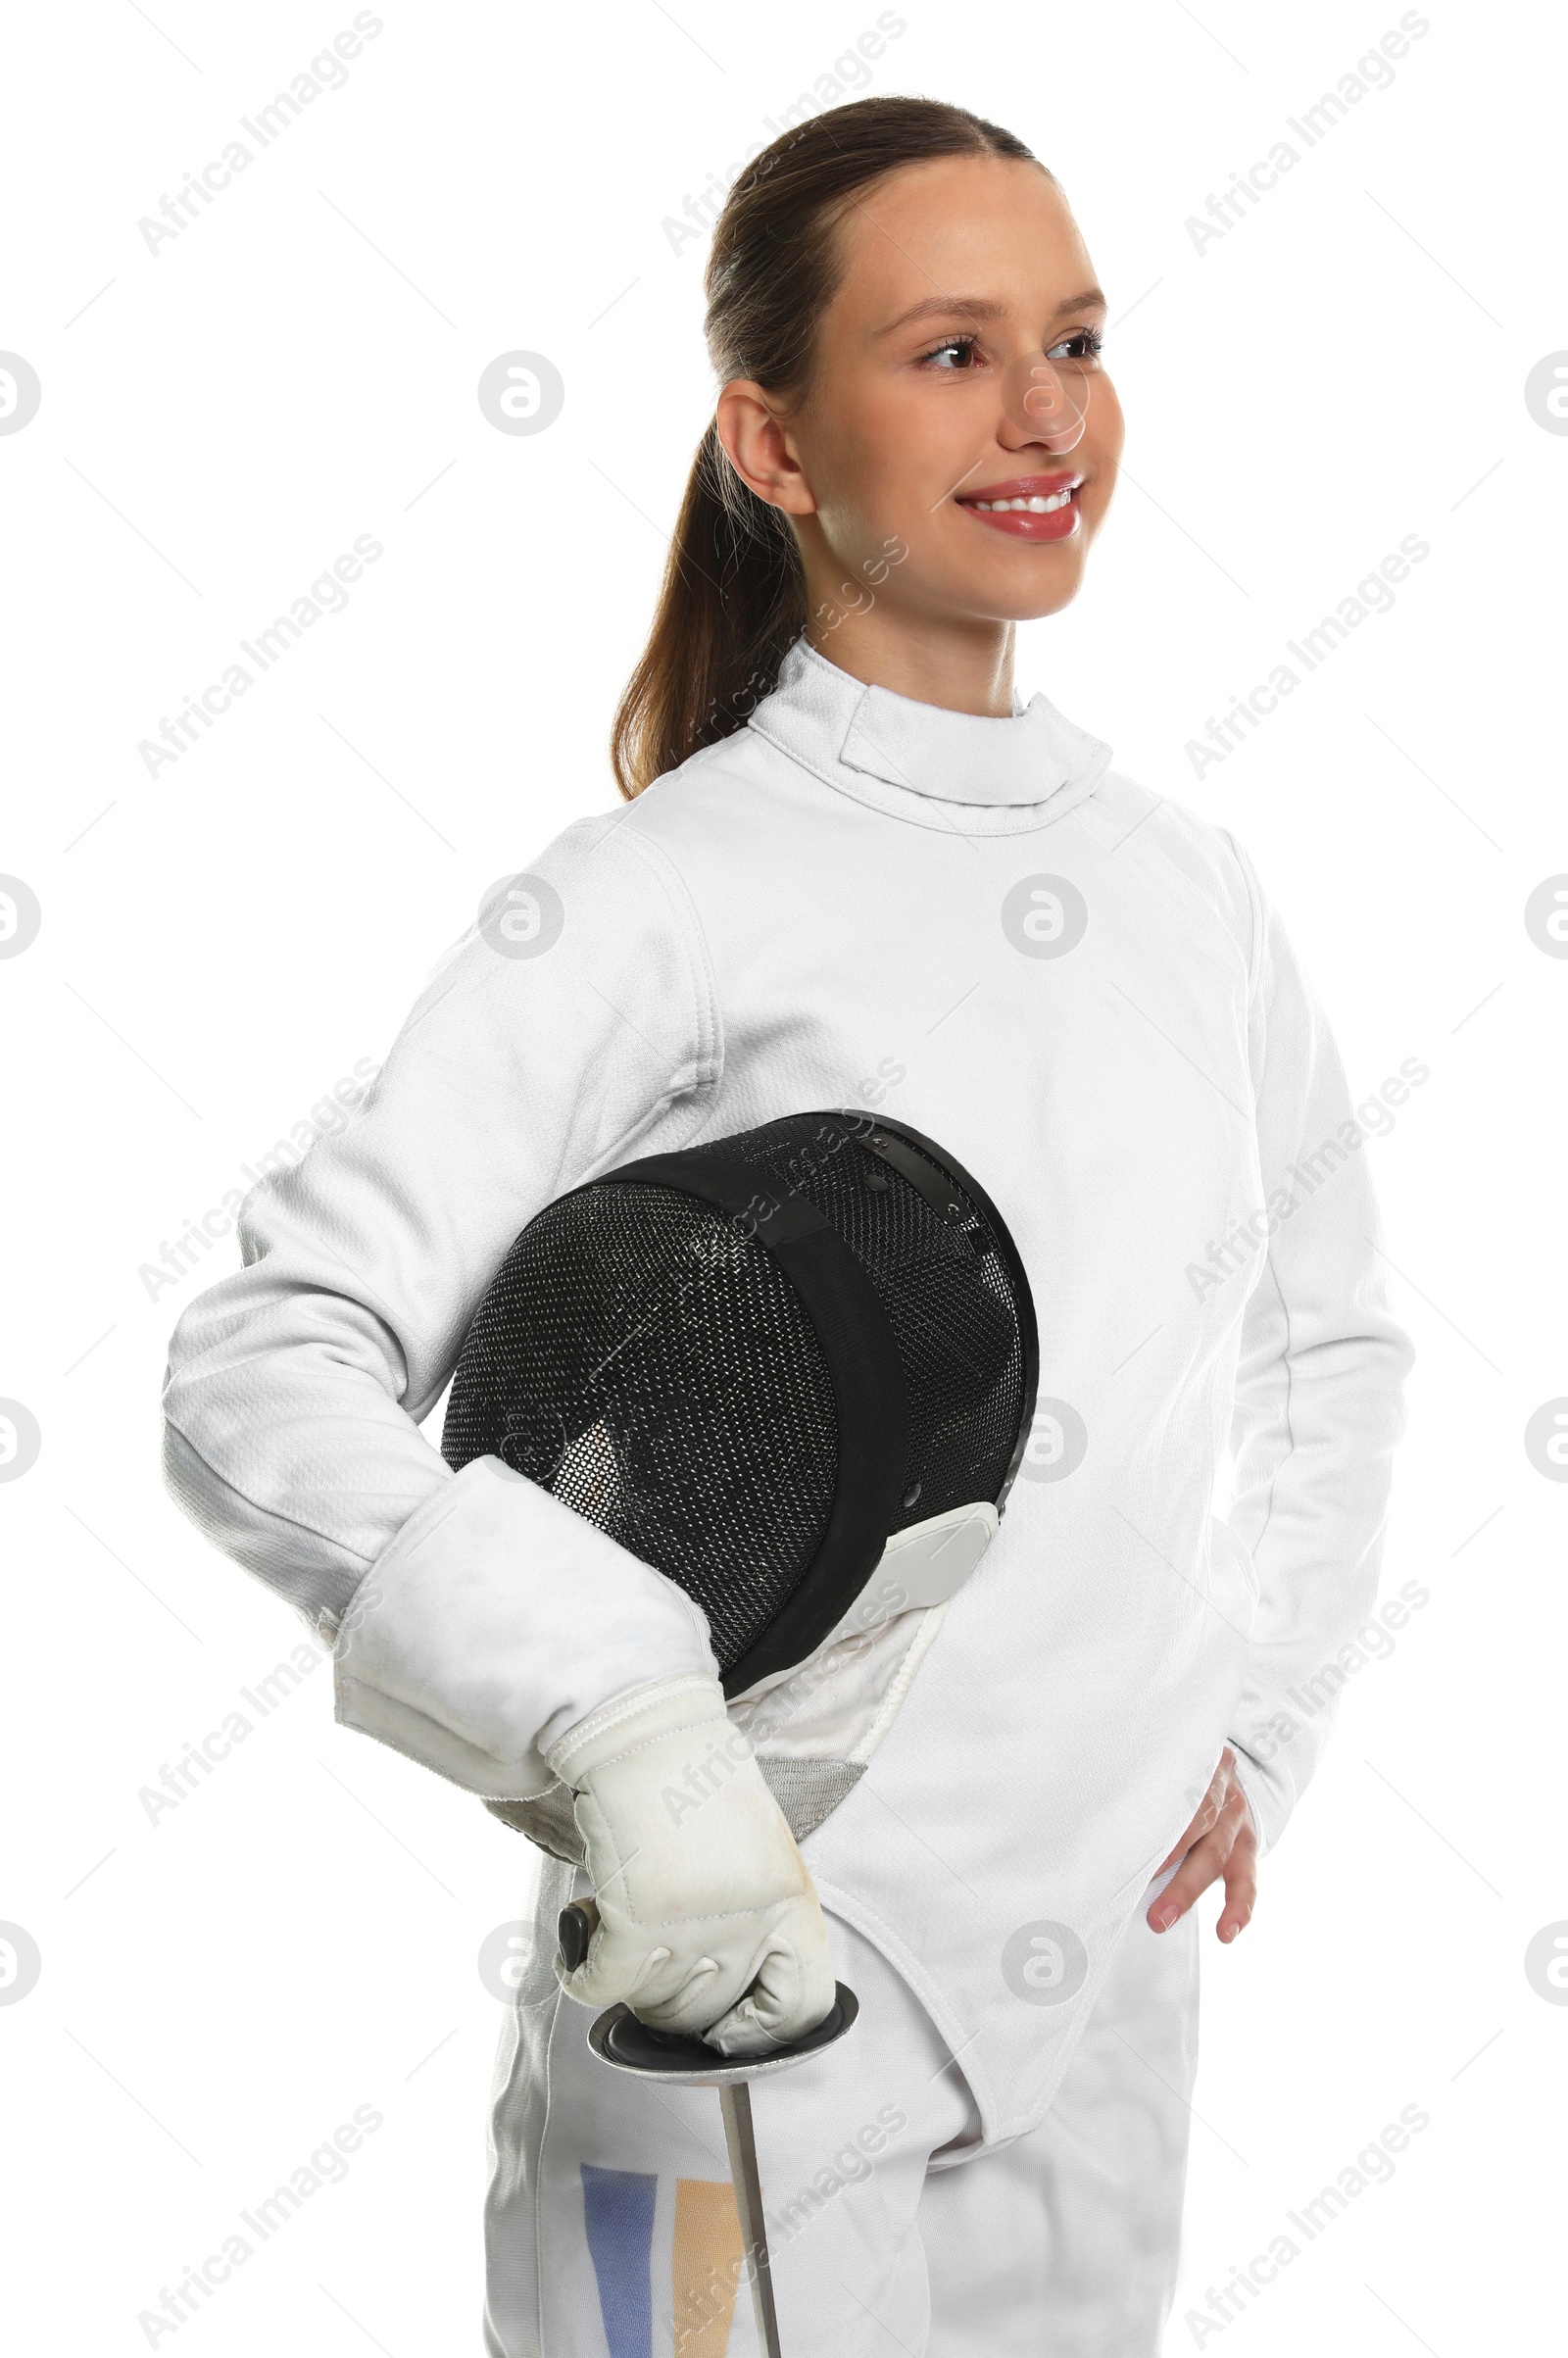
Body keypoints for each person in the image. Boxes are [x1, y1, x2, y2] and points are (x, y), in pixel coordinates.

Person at [162, 95, 1415, 2358]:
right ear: (770, 434)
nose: (1044, 416)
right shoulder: (658, 895)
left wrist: (1264, 1717)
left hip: (1100, 1983)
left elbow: (1325, 1334)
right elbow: (270, 1364)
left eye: (1076, 337)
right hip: (737, 2005)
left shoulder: (1185, 889)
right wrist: (620, 1733)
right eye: (946, 352)